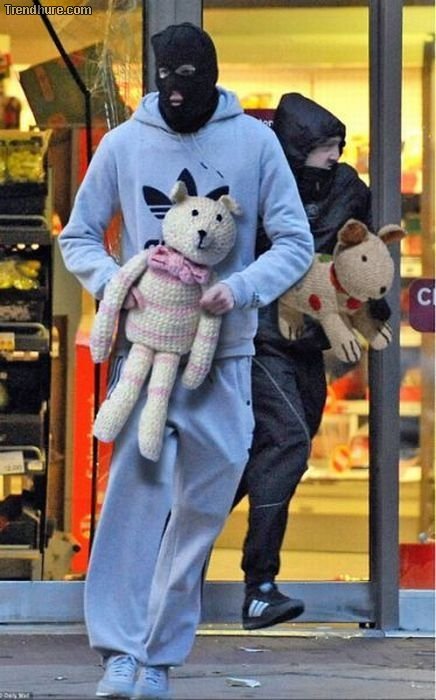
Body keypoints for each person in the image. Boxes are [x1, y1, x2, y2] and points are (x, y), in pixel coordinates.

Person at [58, 29, 313, 700]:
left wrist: (244, 288)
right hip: (145, 358)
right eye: (167, 78)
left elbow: (294, 241)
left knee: (201, 513)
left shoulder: (255, 144)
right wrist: (118, 284)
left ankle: (158, 656)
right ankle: (121, 653)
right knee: (132, 507)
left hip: (224, 360)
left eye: (190, 79)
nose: (177, 92)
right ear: (155, 77)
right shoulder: (124, 144)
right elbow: (79, 235)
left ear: (212, 76)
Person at [234, 92, 389, 632]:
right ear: (297, 149)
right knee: (289, 441)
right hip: (261, 336)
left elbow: (362, 251)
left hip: (307, 344)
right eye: (325, 146)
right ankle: (259, 585)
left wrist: (371, 306)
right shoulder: (264, 183)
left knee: (269, 455)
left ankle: (174, 544)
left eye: (339, 145)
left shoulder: (348, 188)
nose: (334, 155)